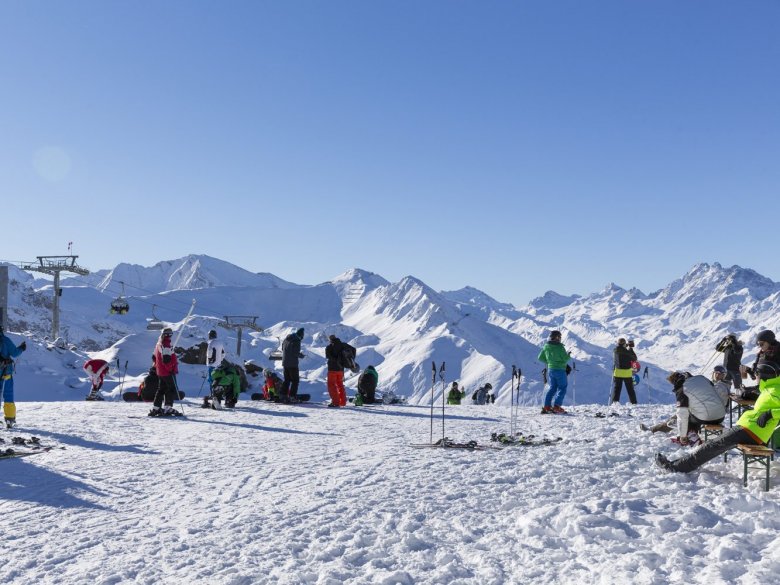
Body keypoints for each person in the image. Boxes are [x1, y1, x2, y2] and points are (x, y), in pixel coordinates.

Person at [656, 330, 780, 473]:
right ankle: (678, 464)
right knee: (713, 445)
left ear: (766, 374)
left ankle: (676, 467)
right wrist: (751, 391)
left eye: (757, 373)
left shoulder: (775, 389)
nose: (755, 376)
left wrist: (770, 413)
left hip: (752, 431)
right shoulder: (769, 387)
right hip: (749, 427)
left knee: (712, 446)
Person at [664, 370, 728, 446]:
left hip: (708, 417)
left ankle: (692, 437)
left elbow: (682, 415)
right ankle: (692, 434)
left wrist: (682, 436)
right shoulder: (702, 378)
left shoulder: (682, 389)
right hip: (721, 415)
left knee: (688, 414)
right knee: (696, 410)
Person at [537, 330, 571, 414]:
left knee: (553, 388)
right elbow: (564, 359)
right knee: (562, 387)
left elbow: (540, 358)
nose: (560, 339)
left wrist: (549, 361)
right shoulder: (560, 347)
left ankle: (547, 406)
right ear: (557, 337)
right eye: (560, 337)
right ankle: (557, 406)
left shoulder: (546, 346)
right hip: (560, 370)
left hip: (551, 370)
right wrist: (568, 355)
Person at [150, 327, 181, 416]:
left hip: (160, 371)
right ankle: (168, 408)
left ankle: (156, 408)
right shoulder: (166, 344)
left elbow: (153, 357)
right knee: (171, 389)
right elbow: (167, 360)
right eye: (169, 334)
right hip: (167, 372)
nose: (170, 336)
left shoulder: (159, 343)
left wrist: (157, 366)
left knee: (162, 389)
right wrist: (170, 369)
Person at [0, 325, 27, 429]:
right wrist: (21, 348)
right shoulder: (5, 340)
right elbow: (15, 353)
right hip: (6, 372)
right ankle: (10, 420)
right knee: (8, 394)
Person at [281, 328, 305, 403]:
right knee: (295, 381)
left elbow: (283, 348)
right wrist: (301, 355)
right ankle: (292, 396)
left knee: (287, 380)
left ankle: (283, 395)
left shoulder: (286, 339)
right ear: (301, 335)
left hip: (285, 363)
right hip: (293, 364)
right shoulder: (296, 341)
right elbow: (295, 353)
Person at [611, 338, 638, 405]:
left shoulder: (615, 351)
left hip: (617, 373)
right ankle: (633, 403)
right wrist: (630, 348)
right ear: (624, 344)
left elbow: (620, 349)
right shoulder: (627, 352)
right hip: (626, 374)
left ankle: (615, 403)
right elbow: (634, 359)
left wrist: (625, 346)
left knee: (617, 389)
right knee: (630, 390)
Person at [325, 335, 347, 407]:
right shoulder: (343, 346)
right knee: (340, 385)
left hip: (332, 369)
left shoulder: (329, 347)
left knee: (331, 385)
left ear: (330, 340)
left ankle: (335, 402)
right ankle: (343, 402)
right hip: (341, 370)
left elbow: (328, 356)